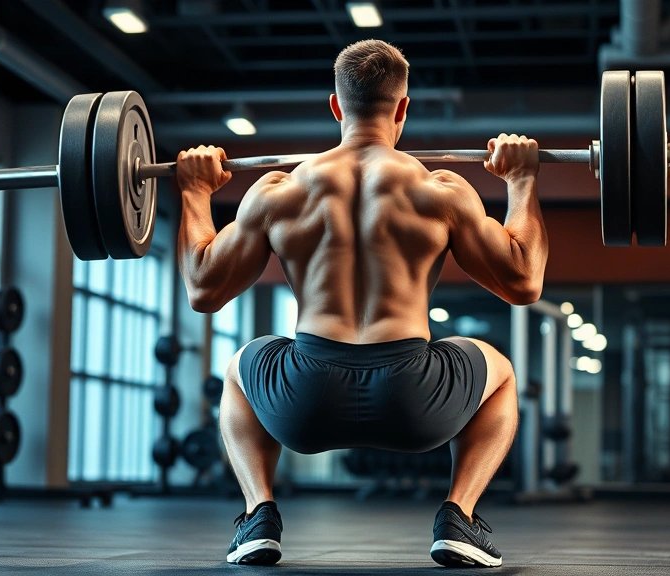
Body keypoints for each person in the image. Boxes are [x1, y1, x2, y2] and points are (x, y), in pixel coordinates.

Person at [175, 39, 547, 568]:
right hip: (415, 402)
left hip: (302, 401)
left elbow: (204, 289)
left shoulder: (278, 191)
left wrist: (194, 192)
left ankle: (259, 514)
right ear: (402, 109)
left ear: (335, 105)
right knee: (502, 373)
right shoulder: (441, 190)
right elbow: (524, 282)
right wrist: (522, 180)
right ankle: (458, 516)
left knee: (240, 368)